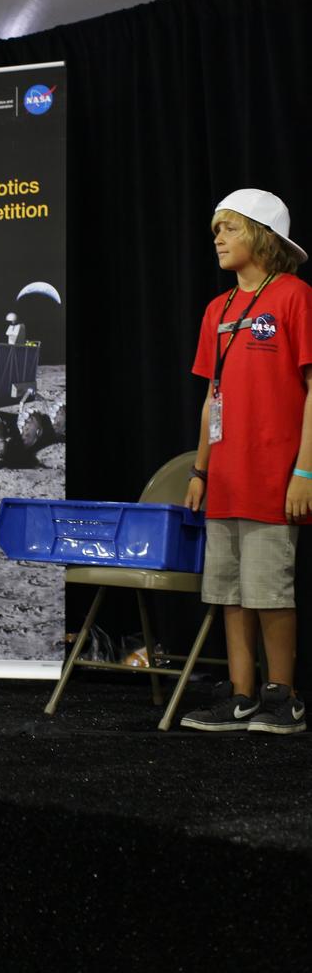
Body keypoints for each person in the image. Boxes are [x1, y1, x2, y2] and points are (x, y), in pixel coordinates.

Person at [180, 189, 312, 735]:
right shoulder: (219, 309)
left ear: (261, 234)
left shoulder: (293, 296)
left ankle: (284, 697)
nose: (218, 238)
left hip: (275, 475)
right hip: (226, 477)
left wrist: (304, 471)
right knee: (230, 591)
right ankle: (241, 695)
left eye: (229, 228)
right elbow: (214, 395)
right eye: (216, 229)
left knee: (269, 589)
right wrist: (200, 469)